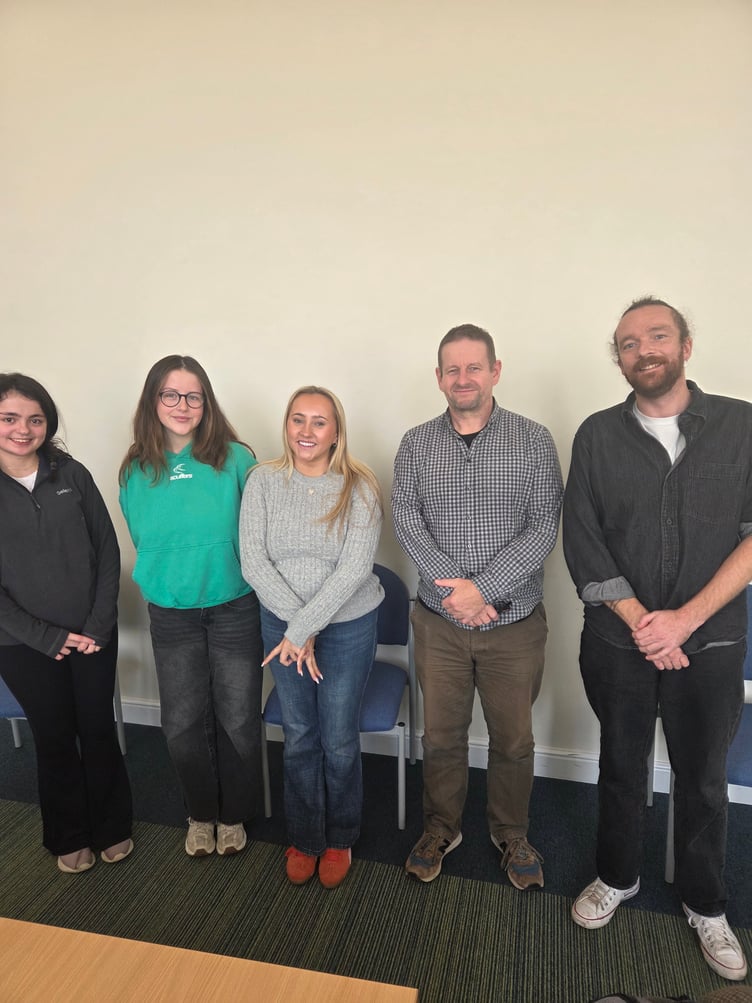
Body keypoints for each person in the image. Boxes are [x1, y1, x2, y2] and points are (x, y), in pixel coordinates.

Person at [563, 297, 752, 981]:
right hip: (618, 644)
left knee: (703, 779)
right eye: (627, 342)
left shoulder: (742, 425)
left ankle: (706, 902)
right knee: (621, 764)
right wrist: (647, 624)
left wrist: (685, 619)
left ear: (686, 346)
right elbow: (583, 544)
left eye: (657, 335)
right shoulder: (596, 436)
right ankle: (617, 877)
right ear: (618, 359)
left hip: (711, 645)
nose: (643, 349)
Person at [392, 324, 563, 888]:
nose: (462, 378)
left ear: (495, 370)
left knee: (513, 739)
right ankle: (442, 826)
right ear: (438, 377)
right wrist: (456, 595)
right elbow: (408, 523)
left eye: (474, 367)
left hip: (512, 624)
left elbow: (543, 528)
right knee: (442, 736)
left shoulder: (534, 440)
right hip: (439, 624)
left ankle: (511, 831)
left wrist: (483, 590)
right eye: (451, 369)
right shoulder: (416, 444)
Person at [239, 386, 383, 889]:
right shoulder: (262, 481)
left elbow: (353, 571)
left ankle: (340, 836)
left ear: (336, 431)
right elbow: (253, 561)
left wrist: (303, 630)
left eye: (319, 422)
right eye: (297, 420)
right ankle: (305, 836)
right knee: (300, 735)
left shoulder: (359, 486)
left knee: (338, 738)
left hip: (346, 626)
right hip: (280, 624)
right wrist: (295, 627)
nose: (306, 431)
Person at [119, 355, 263, 858]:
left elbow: (258, 531)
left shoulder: (237, 458)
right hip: (171, 612)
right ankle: (200, 812)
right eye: (170, 395)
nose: (183, 405)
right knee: (181, 721)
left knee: (239, 717)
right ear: (153, 401)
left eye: (193, 395)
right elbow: (143, 536)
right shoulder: (136, 468)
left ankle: (234, 815)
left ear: (207, 402)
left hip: (235, 606)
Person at [0, 373, 132, 873]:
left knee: (97, 729)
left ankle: (113, 825)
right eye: (9, 418)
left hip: (93, 634)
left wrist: (98, 625)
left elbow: (106, 549)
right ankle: (68, 834)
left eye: (35, 419)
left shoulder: (70, 473)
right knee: (54, 736)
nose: (23, 429)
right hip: (20, 644)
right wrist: (48, 637)